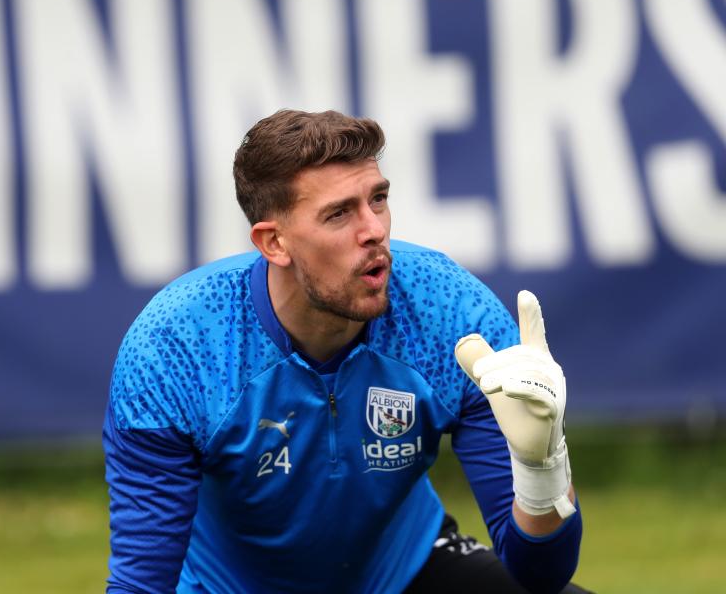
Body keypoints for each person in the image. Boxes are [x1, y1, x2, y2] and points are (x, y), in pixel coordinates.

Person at [104, 109, 588, 593]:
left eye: (378, 199)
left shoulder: (451, 312)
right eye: (339, 213)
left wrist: (541, 468)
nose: (374, 230)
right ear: (274, 242)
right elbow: (141, 582)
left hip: (404, 571)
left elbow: (540, 577)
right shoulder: (174, 349)